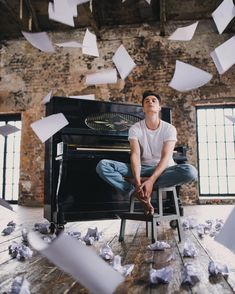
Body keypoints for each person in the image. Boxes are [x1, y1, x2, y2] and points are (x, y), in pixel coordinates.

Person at [96, 91, 198, 215]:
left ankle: (137, 184)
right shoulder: (135, 128)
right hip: (142, 169)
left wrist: (151, 180)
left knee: (190, 172)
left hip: (164, 169)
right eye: (147, 101)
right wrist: (138, 181)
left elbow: (166, 157)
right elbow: (135, 155)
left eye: (154, 100)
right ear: (143, 108)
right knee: (103, 166)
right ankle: (135, 190)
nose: (150, 102)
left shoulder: (169, 128)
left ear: (159, 107)